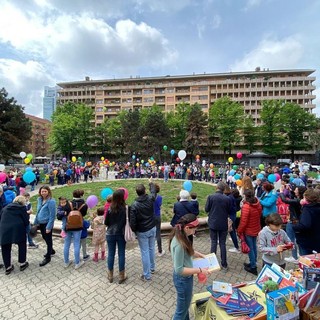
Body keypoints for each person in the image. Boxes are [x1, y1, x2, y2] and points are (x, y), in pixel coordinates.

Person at [169, 214, 211, 320]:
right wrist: (200, 270)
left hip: (185, 278)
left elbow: (188, 251)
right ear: (187, 228)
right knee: (181, 311)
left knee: (185, 306)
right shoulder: (179, 244)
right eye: (194, 229)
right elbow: (179, 269)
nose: (195, 231)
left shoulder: (182, 236)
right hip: (183, 280)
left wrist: (200, 255)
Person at [130, 180, 157, 281]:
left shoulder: (135, 204)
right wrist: (151, 183)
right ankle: (152, 268)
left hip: (143, 231)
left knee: (145, 251)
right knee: (151, 248)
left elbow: (132, 222)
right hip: (151, 228)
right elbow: (154, 192)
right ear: (145, 191)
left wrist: (135, 230)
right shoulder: (138, 203)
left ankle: (147, 274)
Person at [0, 196, 30, 275]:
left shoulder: (5, 208)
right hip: (18, 229)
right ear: (22, 202)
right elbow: (26, 221)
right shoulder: (22, 208)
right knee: (22, 245)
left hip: (4, 229)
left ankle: (8, 267)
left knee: (5, 247)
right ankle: (22, 263)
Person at [205, 181, 231, 271]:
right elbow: (230, 211)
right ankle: (224, 264)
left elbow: (206, 209)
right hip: (222, 223)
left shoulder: (211, 197)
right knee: (222, 243)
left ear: (217, 188)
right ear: (223, 189)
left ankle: (212, 263)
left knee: (214, 242)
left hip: (213, 222)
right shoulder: (227, 199)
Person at [279, 185, 306, 263]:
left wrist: (281, 192)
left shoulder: (297, 201)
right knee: (298, 240)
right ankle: (300, 257)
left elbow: (285, 200)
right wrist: (290, 190)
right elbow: (292, 197)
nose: (294, 191)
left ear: (299, 192)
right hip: (297, 221)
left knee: (291, 240)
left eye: (296, 190)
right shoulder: (301, 200)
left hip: (293, 222)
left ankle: (294, 257)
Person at [237, 189, 262, 275]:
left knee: (250, 248)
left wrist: (239, 230)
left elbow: (243, 221)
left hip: (249, 230)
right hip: (256, 227)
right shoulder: (257, 204)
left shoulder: (246, 207)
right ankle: (253, 262)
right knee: (253, 246)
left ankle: (253, 267)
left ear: (246, 196)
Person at [105, 189, 127, 284]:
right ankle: (121, 275)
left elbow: (106, 222)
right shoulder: (125, 208)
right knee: (121, 254)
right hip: (121, 234)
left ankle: (110, 275)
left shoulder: (110, 208)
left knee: (111, 253)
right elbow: (125, 222)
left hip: (110, 233)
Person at [63, 189, 88, 269]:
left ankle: (66, 262)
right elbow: (83, 214)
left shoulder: (68, 203)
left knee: (66, 244)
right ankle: (77, 263)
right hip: (78, 226)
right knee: (76, 244)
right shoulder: (84, 205)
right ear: (81, 195)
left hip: (68, 225)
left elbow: (65, 213)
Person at [292, 188, 320, 255]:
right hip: (317, 240)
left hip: (307, 241)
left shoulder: (308, 209)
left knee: (306, 262)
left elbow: (305, 225)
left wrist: (295, 226)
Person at [34, 185, 56, 267]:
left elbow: (52, 215)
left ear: (48, 192)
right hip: (40, 222)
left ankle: (48, 257)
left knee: (48, 239)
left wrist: (49, 227)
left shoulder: (51, 201)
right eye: (42, 191)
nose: (43, 193)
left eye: (45, 191)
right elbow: (38, 211)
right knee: (44, 237)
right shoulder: (39, 199)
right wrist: (35, 222)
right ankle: (52, 250)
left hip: (47, 223)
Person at [224, 185, 240, 253]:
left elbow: (228, 208)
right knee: (229, 230)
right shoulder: (231, 197)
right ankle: (222, 240)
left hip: (230, 217)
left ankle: (236, 247)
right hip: (232, 216)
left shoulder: (229, 198)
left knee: (231, 231)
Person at [153, 184, 164, 257]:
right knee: (158, 233)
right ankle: (160, 250)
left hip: (150, 216)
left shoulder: (149, 197)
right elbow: (160, 205)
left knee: (150, 233)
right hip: (157, 216)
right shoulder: (160, 197)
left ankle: (150, 250)